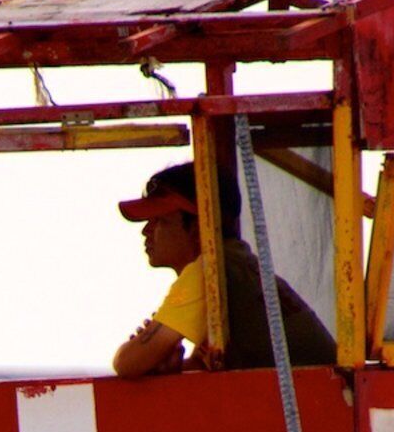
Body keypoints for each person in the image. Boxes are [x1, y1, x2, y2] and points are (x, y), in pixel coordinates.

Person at [110, 161, 334, 379]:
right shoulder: (238, 263)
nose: (146, 231)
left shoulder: (208, 271)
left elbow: (128, 363)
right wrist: (177, 367)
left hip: (314, 403)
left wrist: (147, 352)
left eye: (160, 220)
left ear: (200, 226)